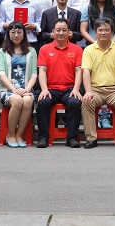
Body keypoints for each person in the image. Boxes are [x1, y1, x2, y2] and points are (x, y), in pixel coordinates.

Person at [81, 19, 115, 149]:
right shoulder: (88, 50)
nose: (103, 33)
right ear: (95, 32)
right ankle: (91, 138)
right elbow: (86, 72)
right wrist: (88, 91)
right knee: (86, 102)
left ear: (112, 32)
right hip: (95, 90)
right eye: (100, 30)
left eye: (107, 30)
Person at [36, 18, 84, 148]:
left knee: (76, 103)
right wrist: (44, 89)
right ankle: (43, 137)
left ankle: (72, 138)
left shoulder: (77, 49)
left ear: (69, 32)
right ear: (53, 32)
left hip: (69, 88)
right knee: (43, 102)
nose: (61, 33)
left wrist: (76, 89)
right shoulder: (44, 49)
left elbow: (79, 71)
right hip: (51, 88)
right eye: (58, 30)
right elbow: (42, 70)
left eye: (64, 30)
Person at [0, 21, 38, 147]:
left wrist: (27, 89)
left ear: (24, 34)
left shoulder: (31, 51)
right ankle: (11, 135)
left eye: (19, 32)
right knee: (17, 100)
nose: (16, 35)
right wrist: (13, 89)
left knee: (28, 100)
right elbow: (1, 74)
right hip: (7, 90)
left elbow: (34, 74)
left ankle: (19, 135)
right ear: (8, 34)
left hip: (25, 89)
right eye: (13, 32)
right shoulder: (2, 52)